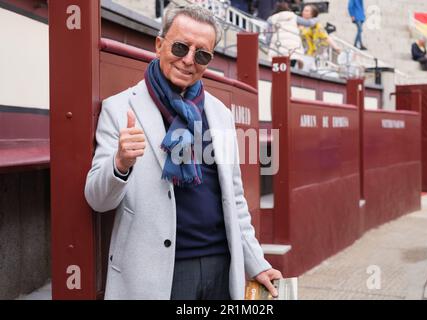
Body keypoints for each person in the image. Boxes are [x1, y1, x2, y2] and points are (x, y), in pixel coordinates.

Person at [84, 5, 282, 300]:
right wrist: (120, 163)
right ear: (159, 44)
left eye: (202, 54)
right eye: (180, 47)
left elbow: (235, 200)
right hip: (156, 275)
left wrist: (256, 262)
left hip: (221, 268)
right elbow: (97, 200)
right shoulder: (120, 108)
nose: (189, 60)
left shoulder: (220, 114)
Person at [266, 1, 319, 68]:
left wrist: (268, 45)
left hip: (277, 48)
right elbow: (308, 23)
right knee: (290, 68)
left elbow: (268, 35)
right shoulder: (293, 16)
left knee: (278, 69)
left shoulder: (271, 19)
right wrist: (316, 19)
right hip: (293, 49)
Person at [299, 4, 341, 72]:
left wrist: (336, 48)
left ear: (312, 14)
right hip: (301, 54)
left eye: (307, 11)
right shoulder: (301, 24)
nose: (304, 12)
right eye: (303, 10)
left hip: (310, 55)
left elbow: (325, 37)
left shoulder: (315, 25)